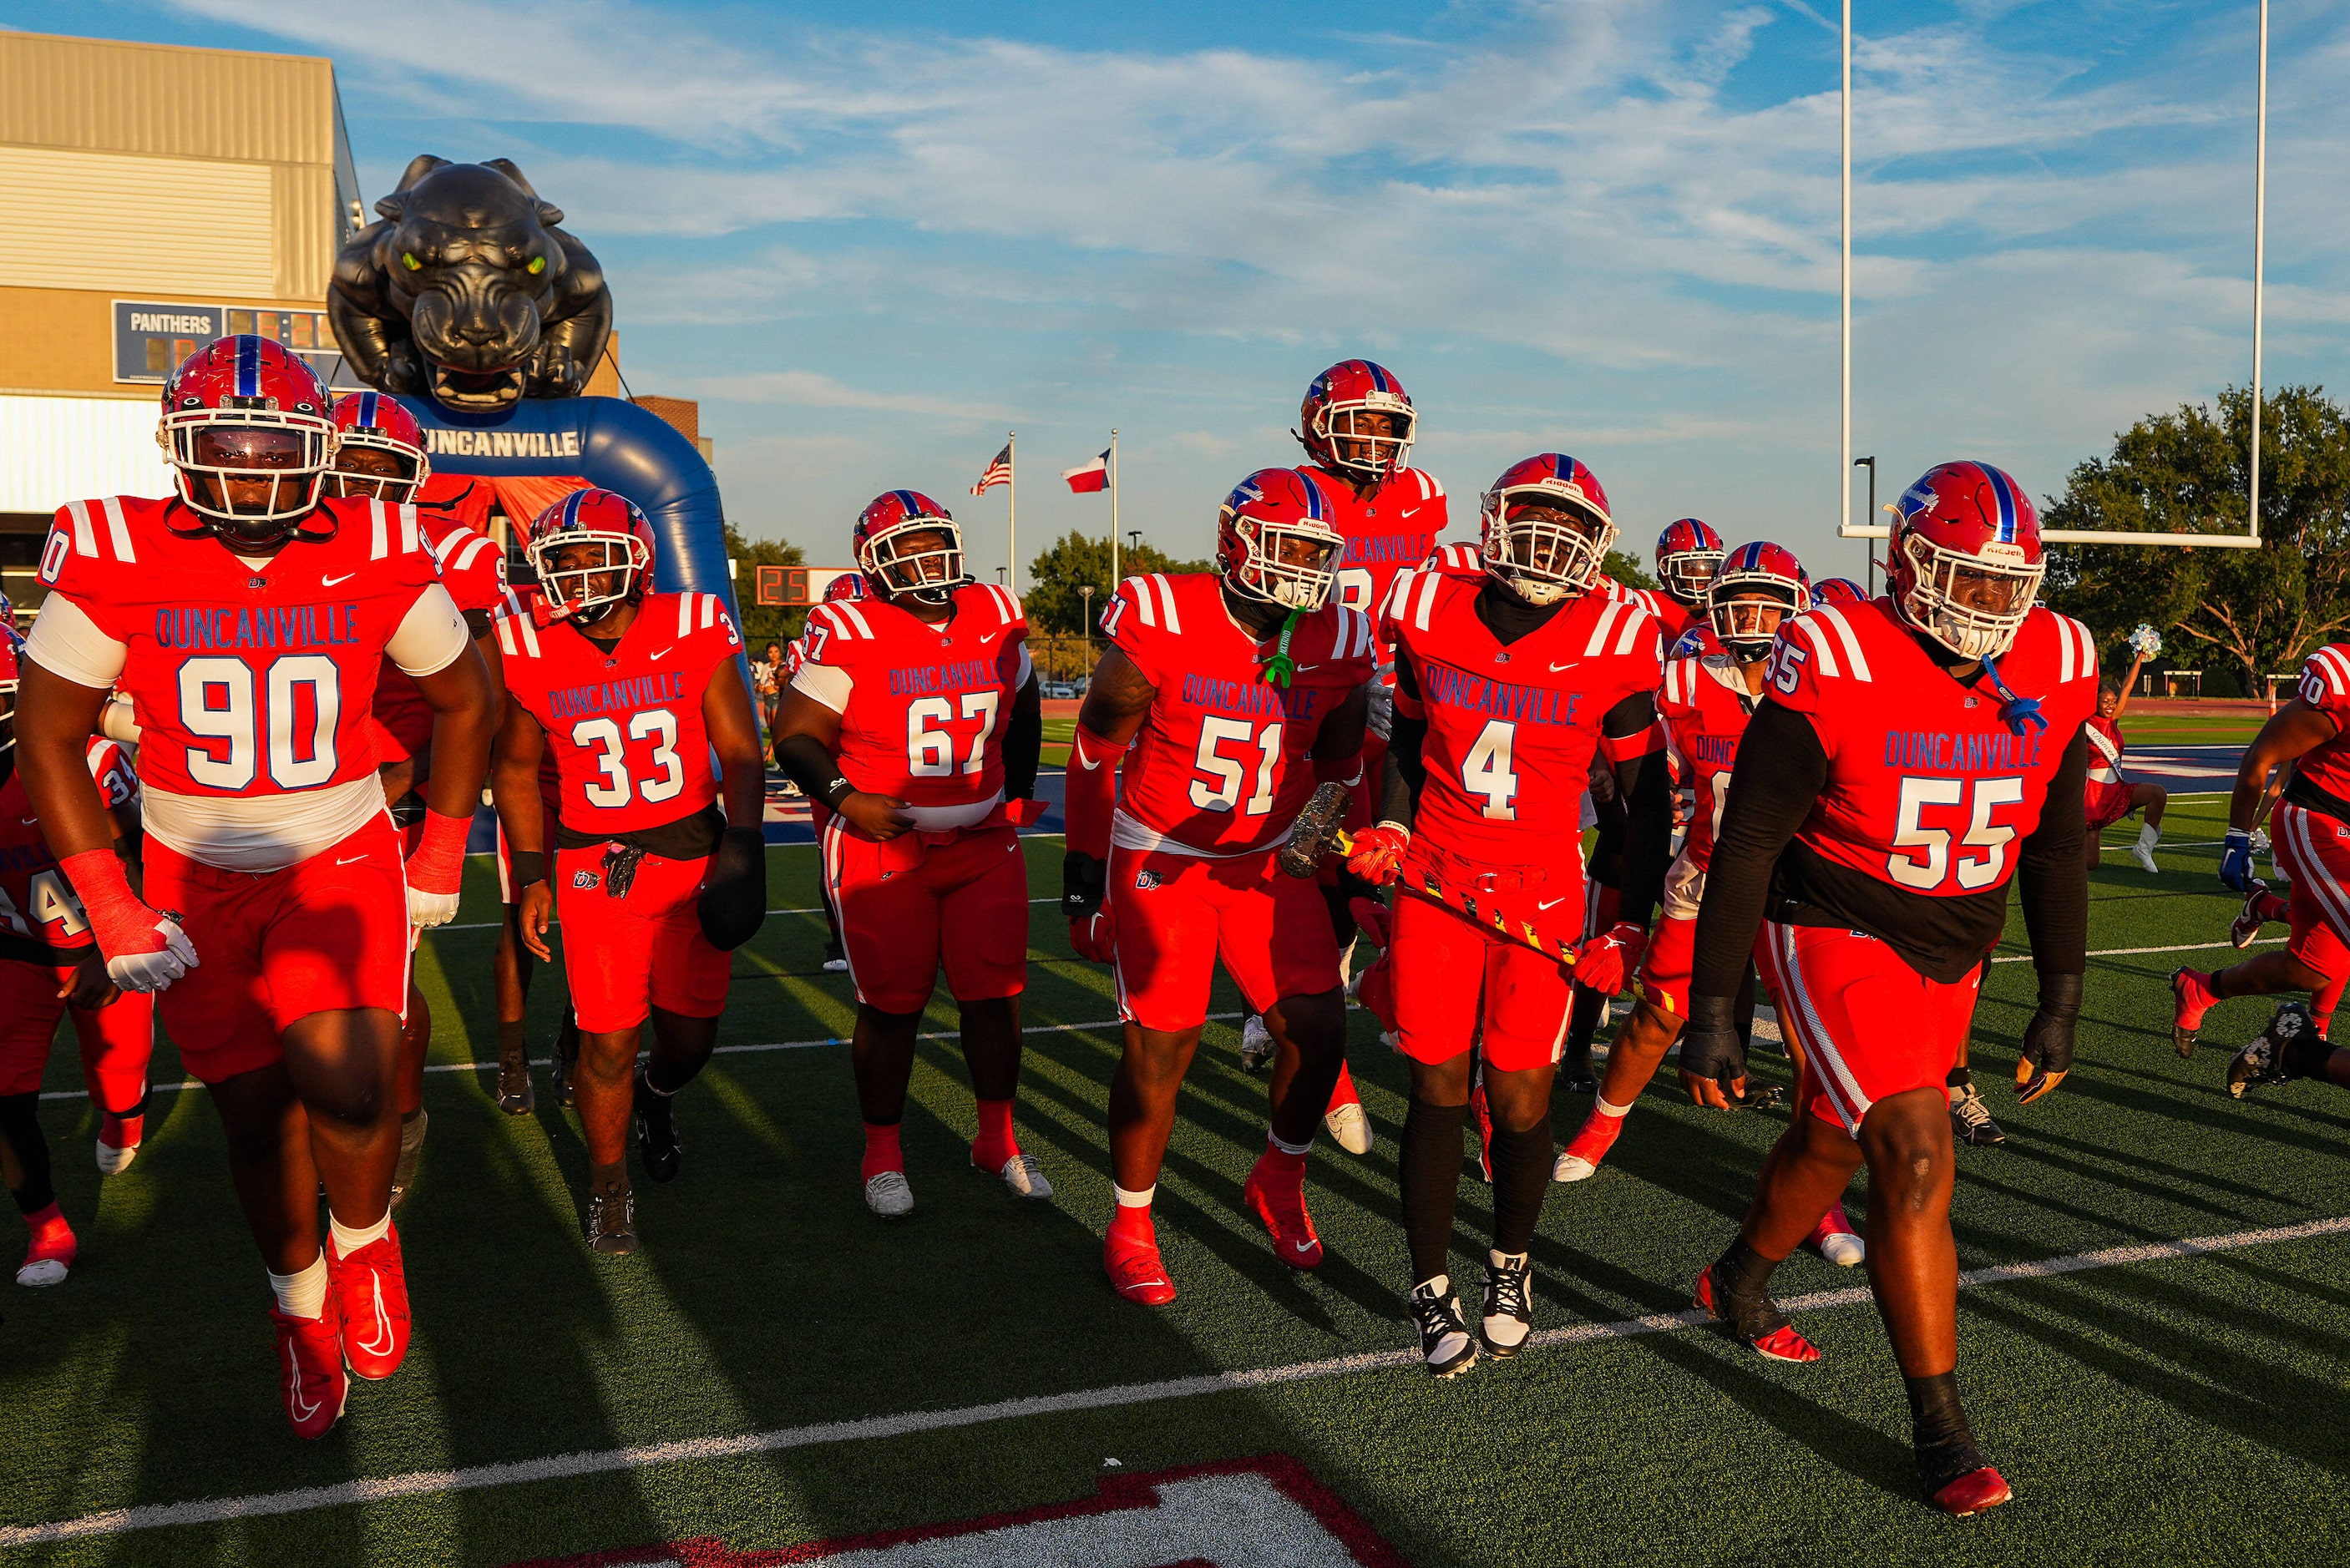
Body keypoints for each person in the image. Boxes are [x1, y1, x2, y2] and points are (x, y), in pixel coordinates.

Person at [14, 335, 496, 1438]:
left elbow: (465, 702)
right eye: (222, 449)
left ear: (319, 450)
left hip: (336, 854)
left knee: (354, 1086)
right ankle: (298, 1305)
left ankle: (368, 1242)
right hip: (189, 869)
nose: (247, 476)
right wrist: (113, 899)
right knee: (250, 1117)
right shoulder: (116, 545)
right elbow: (49, 735)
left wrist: (435, 851)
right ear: (178, 451)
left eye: (272, 449)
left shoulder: (379, 540)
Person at [1679, 461, 2095, 1515]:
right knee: (1912, 1151)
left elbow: (2051, 848)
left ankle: (1733, 1277)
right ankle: (1943, 1432)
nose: (1994, 606)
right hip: (1834, 920)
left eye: (2011, 583)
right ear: (1908, 564)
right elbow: (1750, 840)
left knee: (1831, 1135)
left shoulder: (2060, 657)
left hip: (1956, 942)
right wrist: (1715, 1006)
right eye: (1969, 576)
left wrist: (2061, 996)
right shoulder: (1835, 647)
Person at [1351, 453, 1674, 1376]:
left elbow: (1641, 800)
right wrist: (1389, 821)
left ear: (1596, 547)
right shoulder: (1429, 606)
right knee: (1436, 1092)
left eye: (1568, 527)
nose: (1545, 540)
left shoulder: (1616, 634)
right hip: (1439, 881)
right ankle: (1428, 1287)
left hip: (1540, 888)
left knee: (1522, 1098)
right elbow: (1410, 735)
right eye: (1531, 518)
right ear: (1495, 524)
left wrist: (1627, 921)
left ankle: (1508, 1264)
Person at [1063, 468, 1373, 1304]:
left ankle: (1277, 1178)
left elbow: (1340, 771)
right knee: (1163, 1047)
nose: (1308, 567)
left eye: (1321, 551)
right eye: (1292, 547)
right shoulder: (1164, 617)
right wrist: (1083, 880)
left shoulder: (1340, 639)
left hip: (1266, 860)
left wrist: (1339, 855)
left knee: (1317, 1028)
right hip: (1163, 857)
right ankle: (1130, 1221)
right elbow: (1094, 755)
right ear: (1238, 543)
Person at [1552, 542, 1863, 1257]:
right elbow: (1654, 777)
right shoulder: (1686, 678)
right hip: (1706, 872)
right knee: (1660, 1012)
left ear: (1797, 610)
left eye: (1768, 603)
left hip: (1800, 886)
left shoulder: (1826, 682)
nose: (1752, 617)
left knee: (1807, 1039)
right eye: (1740, 601)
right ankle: (1602, 1125)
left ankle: (1821, 1200)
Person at [490, 489, 767, 1256]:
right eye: (559, 562)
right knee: (609, 1040)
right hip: (592, 863)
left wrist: (744, 848)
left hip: (691, 853)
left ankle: (656, 1096)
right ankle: (608, 1187)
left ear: (637, 561)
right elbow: (515, 768)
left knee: (689, 1041)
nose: (571, 577)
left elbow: (742, 751)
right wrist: (535, 871)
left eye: (588, 558)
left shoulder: (691, 622)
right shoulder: (527, 640)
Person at [772, 492, 1046, 1216]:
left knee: (996, 1001)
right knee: (893, 1007)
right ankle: (884, 1153)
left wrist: (1014, 791)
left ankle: (998, 1139)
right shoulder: (851, 624)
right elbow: (795, 734)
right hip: (883, 844)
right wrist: (846, 797)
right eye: (906, 549)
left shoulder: (994, 611)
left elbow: (1025, 706)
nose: (926, 560)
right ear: (874, 565)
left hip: (983, 842)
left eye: (933, 543)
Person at [1243, 359, 1449, 1155]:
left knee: (1402, 860)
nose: (1374, 436)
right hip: (1321, 681)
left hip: (1401, 686)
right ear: (1317, 423)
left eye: (1386, 423)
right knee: (1322, 863)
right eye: (1358, 420)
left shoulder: (1423, 493)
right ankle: (1297, 1008)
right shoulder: (1293, 491)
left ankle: (1369, 993)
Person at [330, 391, 513, 1200]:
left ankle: (399, 1119)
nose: (366, 483)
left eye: (384, 468)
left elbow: (483, 697)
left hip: (391, 790)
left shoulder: (453, 550)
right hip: (287, 791)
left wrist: (417, 779)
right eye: (350, 466)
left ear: (415, 478)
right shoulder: (268, 542)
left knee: (385, 989)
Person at [0, 630, 154, 1287]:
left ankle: (124, 1115)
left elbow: (142, 858)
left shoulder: (86, 758)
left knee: (119, 1080)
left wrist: (112, 946)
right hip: (13, 950)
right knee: (4, 1100)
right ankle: (47, 1229)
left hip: (99, 945)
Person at [2173, 640, 2350, 1072]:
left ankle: (2202, 989)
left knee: (2310, 970)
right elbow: (2263, 755)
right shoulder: (2344, 679)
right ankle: (2309, 1043)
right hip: (2319, 821)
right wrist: (2237, 836)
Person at [2084, 647, 2165, 873]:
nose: (2111, 705)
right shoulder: (2084, 726)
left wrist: (2140, 656)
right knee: (2090, 864)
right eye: (2105, 701)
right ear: (2094, 702)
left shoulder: (2113, 720)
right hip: (2093, 797)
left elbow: (2128, 685)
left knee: (2157, 793)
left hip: (2117, 790)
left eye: (2113, 701)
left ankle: (2144, 848)